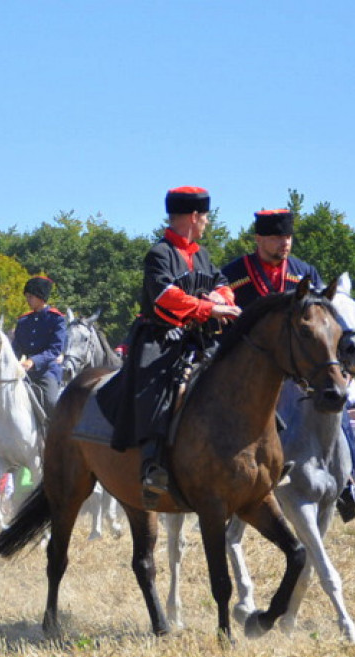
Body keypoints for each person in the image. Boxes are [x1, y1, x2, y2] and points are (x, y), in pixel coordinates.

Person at [98, 187, 241, 508]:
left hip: (198, 337)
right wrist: (209, 308)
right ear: (193, 216)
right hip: (160, 338)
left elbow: (222, 284)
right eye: (204, 217)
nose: (206, 222)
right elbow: (165, 297)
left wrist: (221, 298)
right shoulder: (159, 254)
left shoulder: (201, 254)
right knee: (158, 389)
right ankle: (152, 465)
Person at [222, 208, 355, 518]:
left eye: (287, 237)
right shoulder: (234, 274)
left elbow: (323, 318)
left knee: (336, 397)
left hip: (300, 366)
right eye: (277, 237)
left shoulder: (304, 272)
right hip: (251, 368)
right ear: (259, 239)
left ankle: (347, 483)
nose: (284, 243)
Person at [11, 275, 67, 414]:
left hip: (47, 371)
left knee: (51, 402)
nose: (27, 300)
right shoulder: (23, 321)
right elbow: (16, 349)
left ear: (41, 297)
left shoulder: (56, 319)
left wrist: (33, 361)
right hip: (24, 371)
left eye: (30, 297)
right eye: (27, 296)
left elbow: (55, 350)